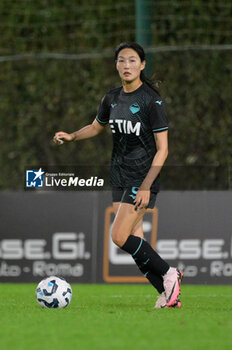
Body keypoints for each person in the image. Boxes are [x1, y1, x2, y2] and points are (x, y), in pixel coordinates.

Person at [53, 42, 183, 309]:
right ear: (116, 65)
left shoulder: (152, 100)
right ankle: (167, 294)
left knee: (118, 236)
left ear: (142, 65)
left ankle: (170, 273)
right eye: (121, 60)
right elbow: (95, 126)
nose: (126, 66)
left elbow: (163, 150)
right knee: (136, 240)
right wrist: (72, 136)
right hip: (120, 175)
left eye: (132, 60)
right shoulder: (111, 98)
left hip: (142, 177)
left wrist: (147, 185)